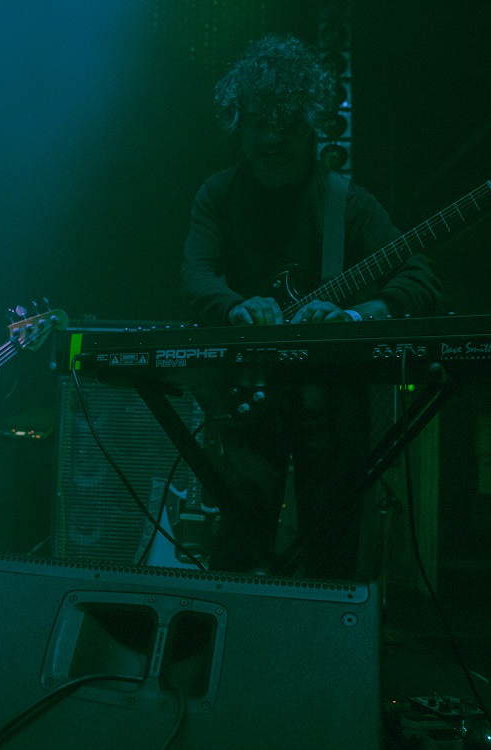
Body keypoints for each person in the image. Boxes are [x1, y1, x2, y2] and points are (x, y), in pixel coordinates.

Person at [180, 35, 441, 577]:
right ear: (238, 123)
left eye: (288, 124)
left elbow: (419, 278)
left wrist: (356, 316)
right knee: (238, 553)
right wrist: (236, 307)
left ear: (314, 124)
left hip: (332, 407)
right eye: (259, 124)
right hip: (245, 400)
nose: (272, 139)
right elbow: (196, 276)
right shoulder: (218, 195)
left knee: (332, 558)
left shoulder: (348, 203)